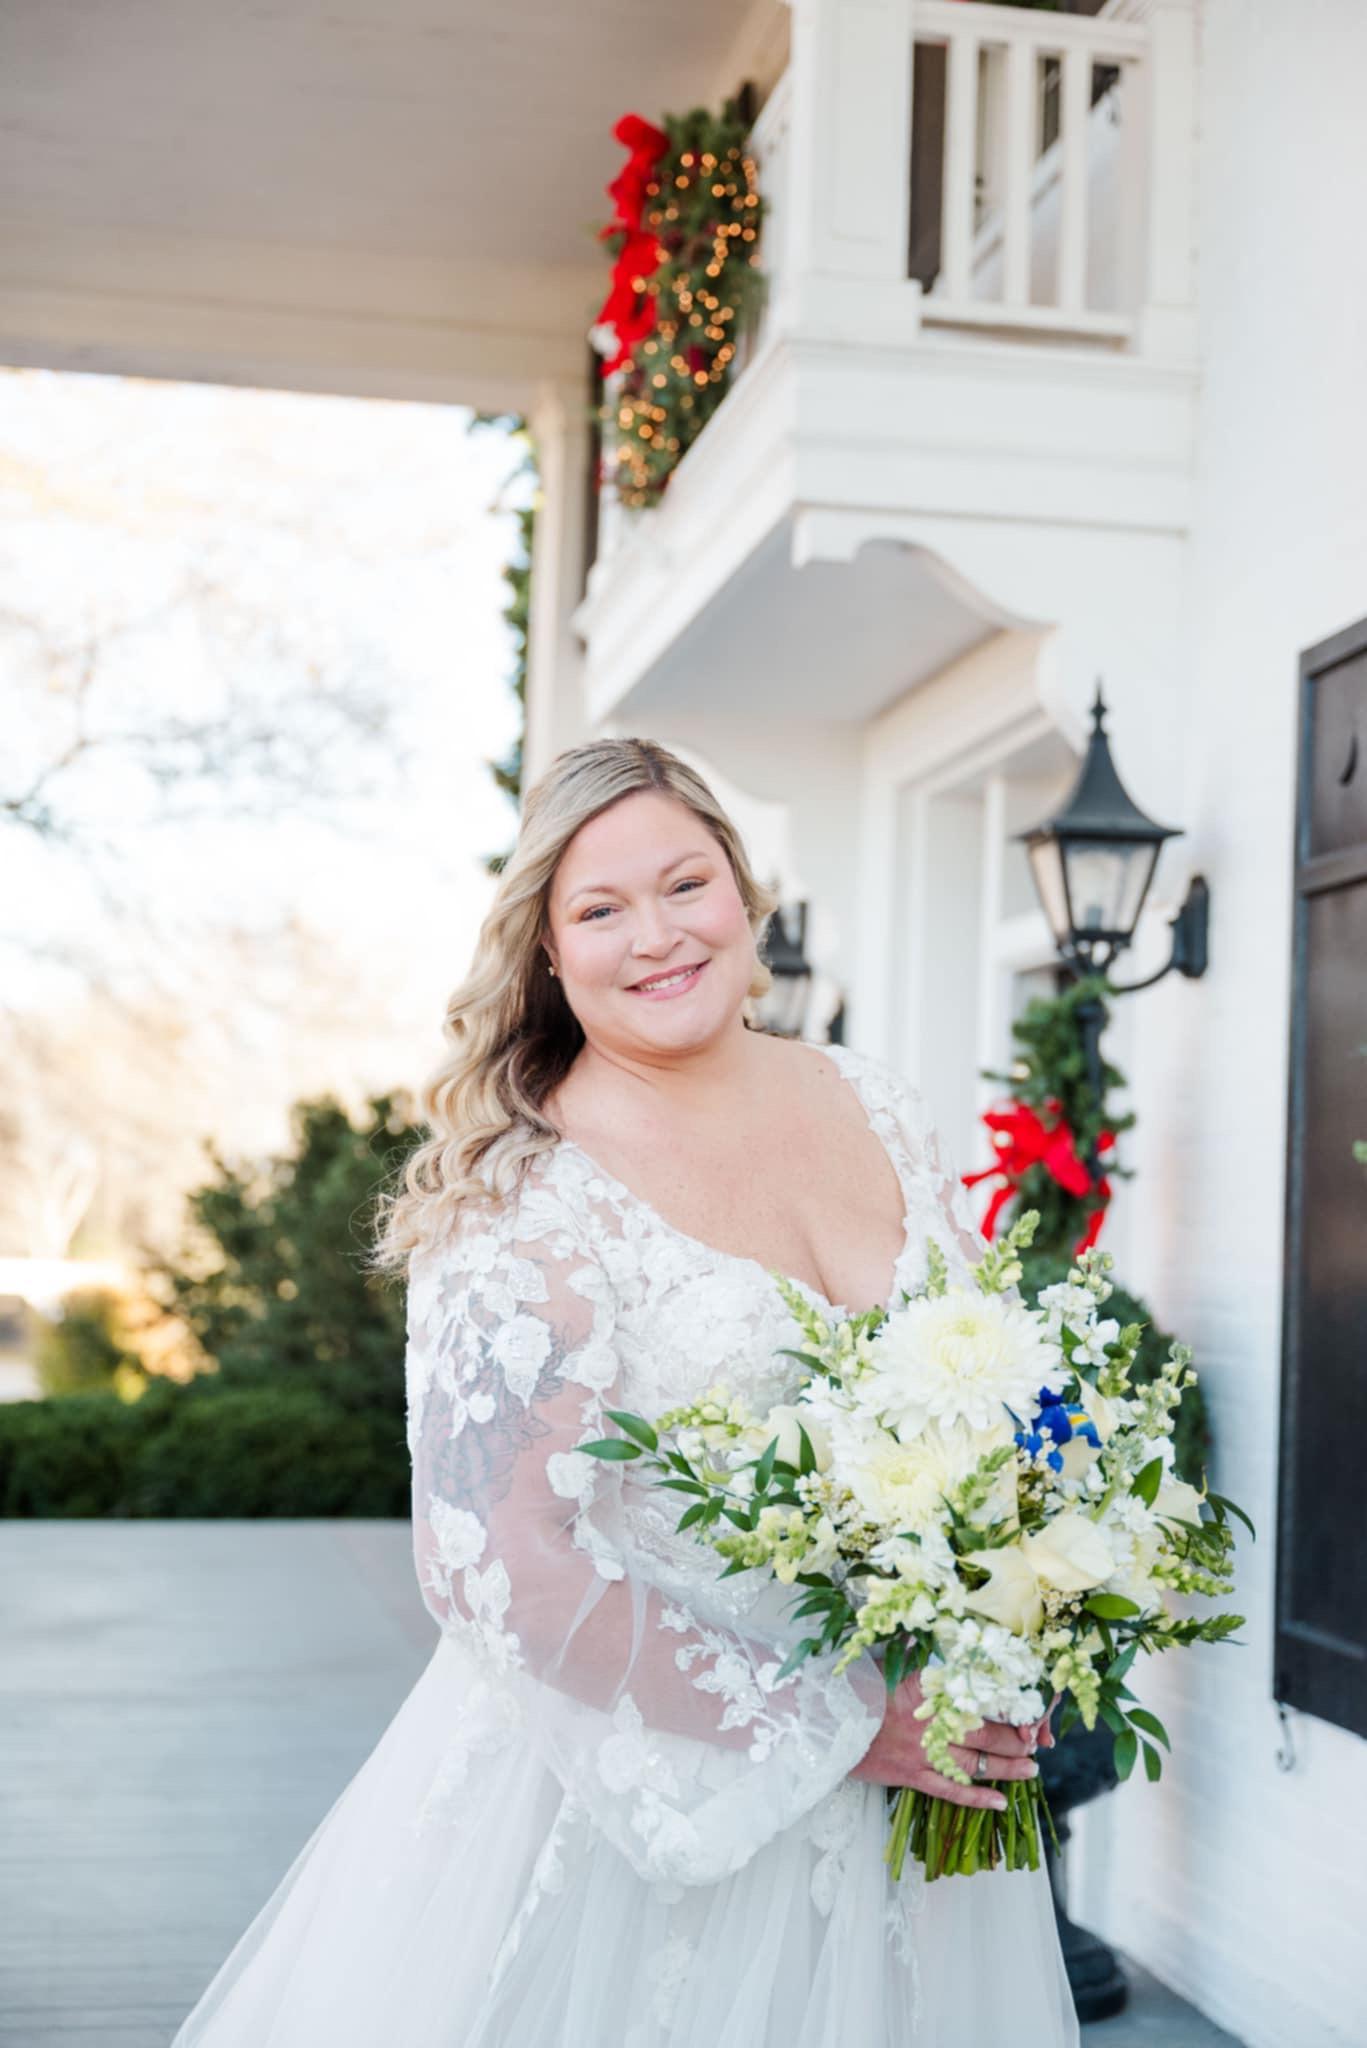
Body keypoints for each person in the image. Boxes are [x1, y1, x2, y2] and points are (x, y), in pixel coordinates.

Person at [171, 736, 1078, 2046]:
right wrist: (832, 1726)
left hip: (916, 1765)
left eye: (685, 884)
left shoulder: (877, 1103)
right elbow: (492, 1561)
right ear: (547, 949)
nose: (657, 936)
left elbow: (978, 1372)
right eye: (600, 909)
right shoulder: (524, 1194)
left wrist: (1018, 1595)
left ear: (745, 894)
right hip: (642, 1800)